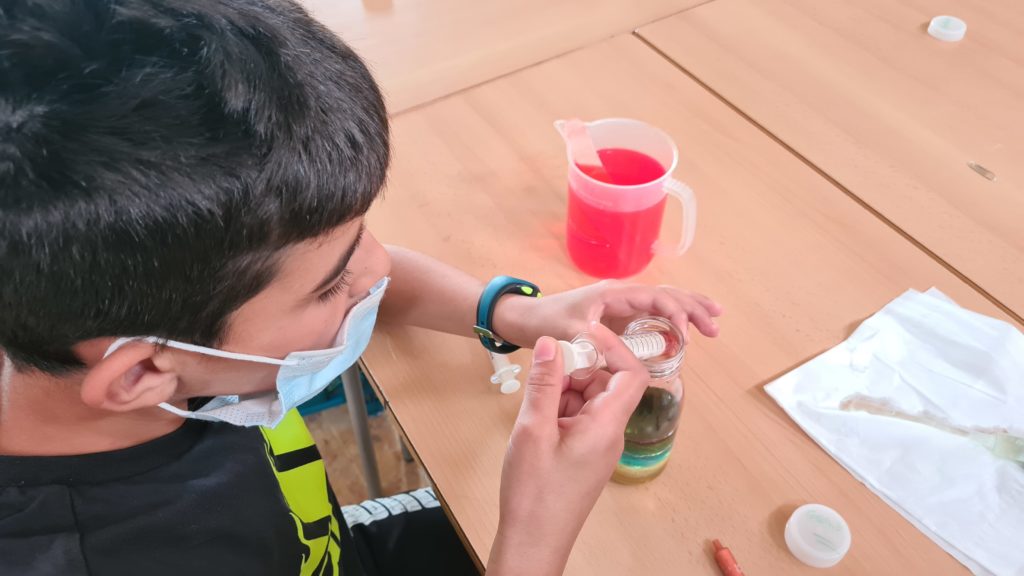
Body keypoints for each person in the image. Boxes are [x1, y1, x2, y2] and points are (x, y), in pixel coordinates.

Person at [0, 1, 722, 574]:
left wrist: (515, 313)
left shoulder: (99, 315)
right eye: (333, 285)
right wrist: (534, 537)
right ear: (140, 375)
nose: (379, 269)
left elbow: (342, 275)